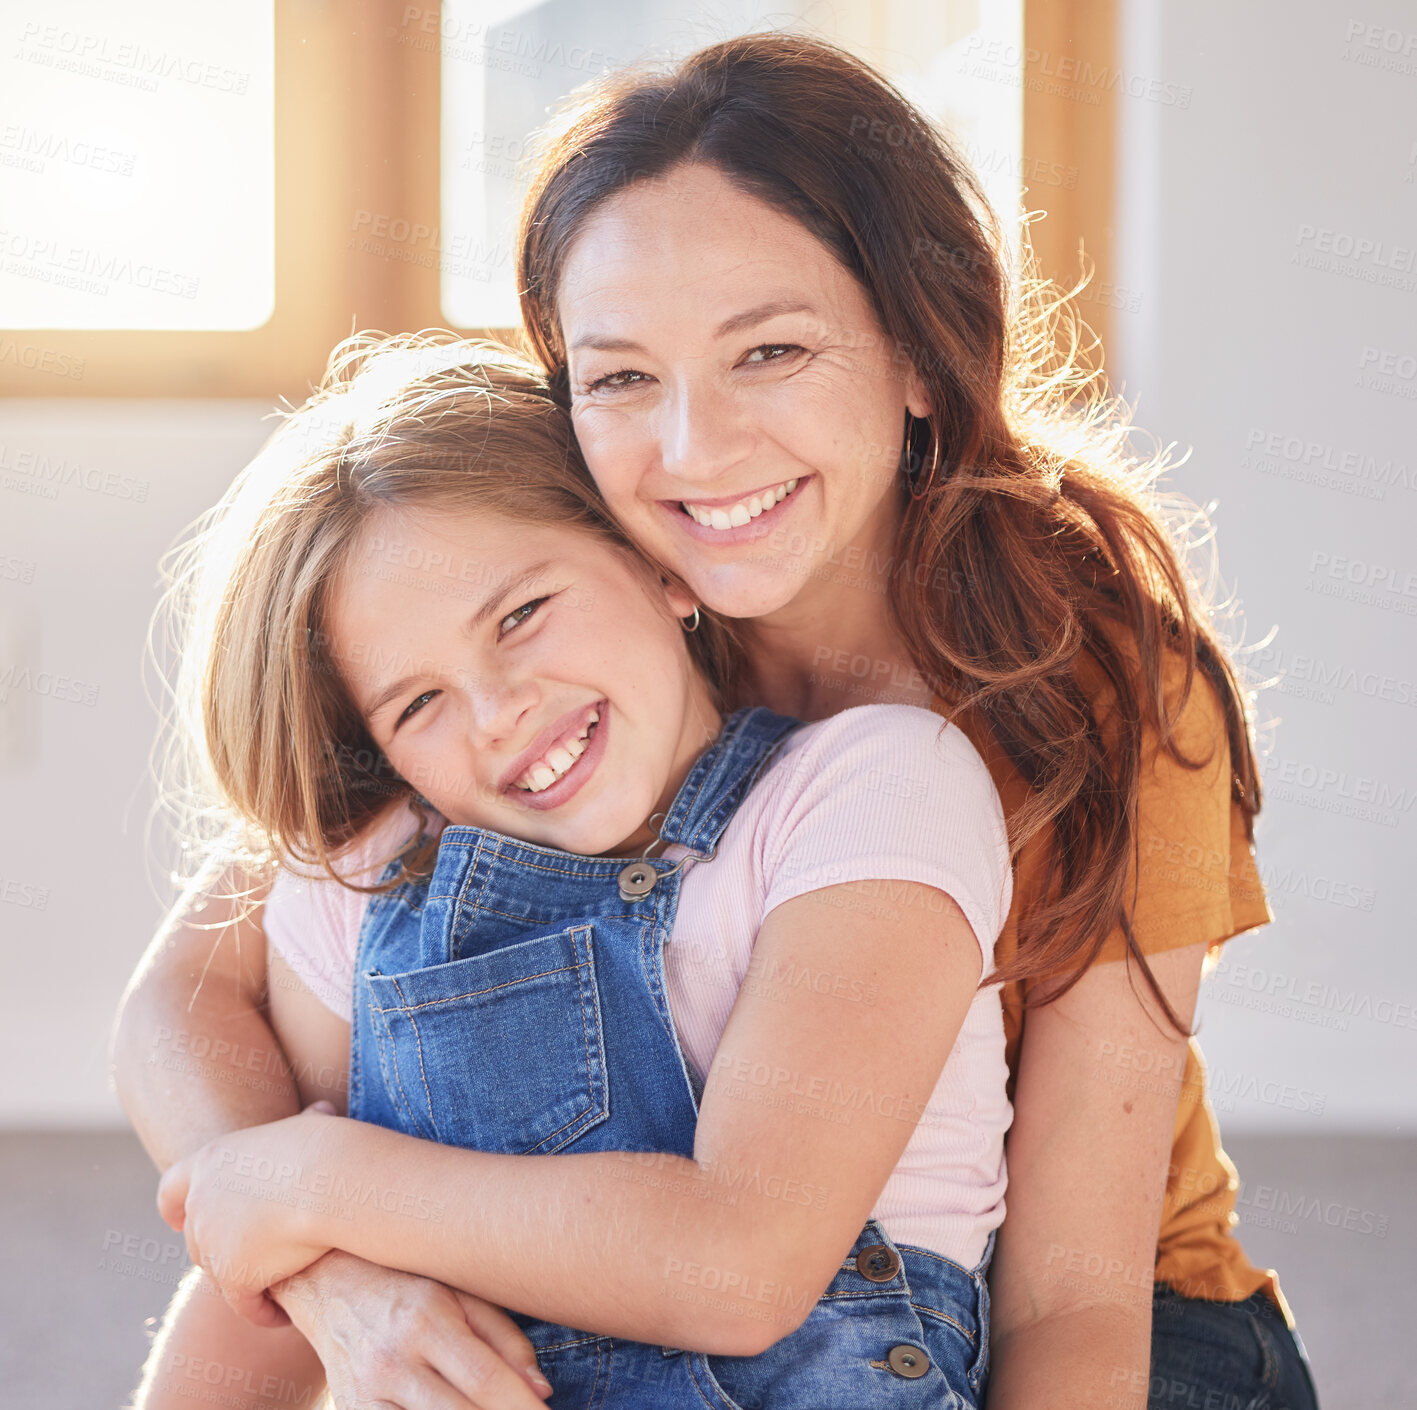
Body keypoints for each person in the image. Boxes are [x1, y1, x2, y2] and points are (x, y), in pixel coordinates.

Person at [113, 29, 1318, 1410]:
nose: (695, 448)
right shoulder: (557, 619)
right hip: (606, 1281)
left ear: (918, 356)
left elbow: (1070, 1297)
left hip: (1074, 1314)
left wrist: (319, 1185)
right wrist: (328, 1269)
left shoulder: (1091, 675)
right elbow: (184, 999)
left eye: (774, 350)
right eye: (623, 376)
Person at [129, 333, 1014, 1408]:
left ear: (657, 566)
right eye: (418, 704)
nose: (499, 713)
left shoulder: (870, 784)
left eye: (520, 614)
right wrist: (304, 1229)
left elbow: (739, 1269)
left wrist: (320, 1181)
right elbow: (256, 1271)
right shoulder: (368, 881)